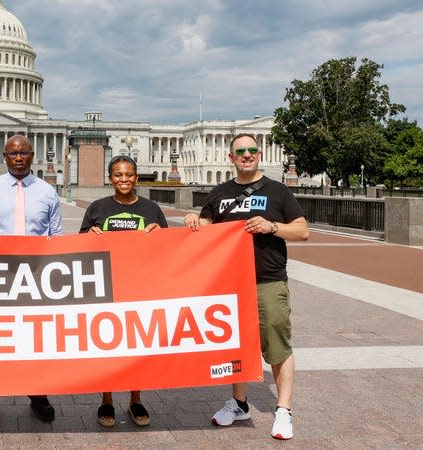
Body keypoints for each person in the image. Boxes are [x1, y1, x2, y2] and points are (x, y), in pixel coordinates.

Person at [184, 133, 309, 440]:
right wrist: (193, 221)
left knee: (276, 343)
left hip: (268, 279)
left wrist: (272, 226)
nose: (247, 155)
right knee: (235, 345)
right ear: (231, 157)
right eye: (241, 151)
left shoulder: (278, 191)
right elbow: (207, 232)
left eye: (252, 150)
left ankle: (283, 410)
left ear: (260, 154)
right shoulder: (219, 193)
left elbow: (303, 231)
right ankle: (239, 403)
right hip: (229, 283)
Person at [0, 134, 63, 424]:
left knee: (36, 339)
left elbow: (56, 236)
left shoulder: (47, 191)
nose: (18, 158)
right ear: (4, 157)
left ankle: (38, 395)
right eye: (12, 154)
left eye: (23, 153)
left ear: (32, 155)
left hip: (36, 275)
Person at [79, 154, 168, 428]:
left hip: (140, 286)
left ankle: (135, 399)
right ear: (110, 179)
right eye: (118, 175)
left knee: (137, 347)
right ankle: (106, 399)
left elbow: (170, 248)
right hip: (106, 286)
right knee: (107, 346)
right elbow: (81, 244)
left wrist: (159, 234)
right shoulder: (97, 207)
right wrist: (90, 235)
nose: (124, 179)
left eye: (128, 174)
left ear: (136, 177)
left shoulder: (151, 209)